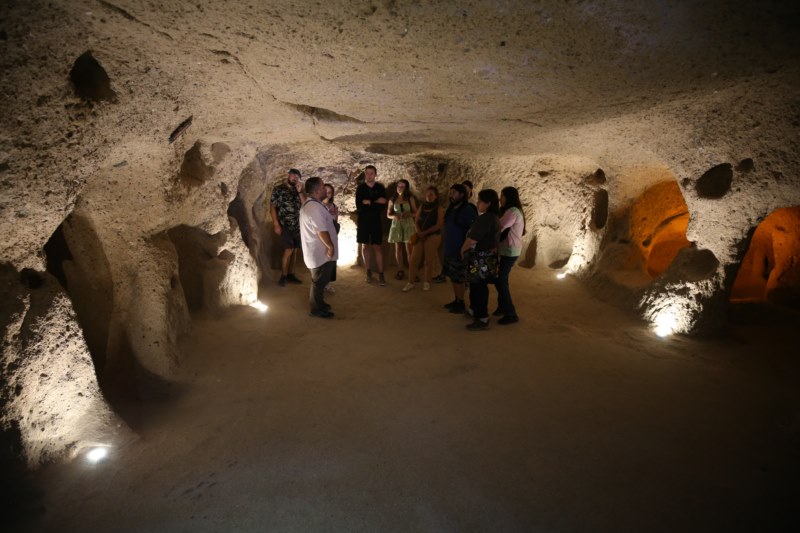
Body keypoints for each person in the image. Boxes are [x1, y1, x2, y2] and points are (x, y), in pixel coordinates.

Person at [461, 189, 501, 331]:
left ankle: (482, 318)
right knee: (477, 285)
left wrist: (462, 250)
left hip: (481, 259)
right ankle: (474, 311)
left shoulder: (486, 218)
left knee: (479, 287)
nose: (477, 203)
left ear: (488, 203)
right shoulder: (494, 217)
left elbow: (473, 239)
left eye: (480, 201)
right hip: (486, 258)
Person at [299, 177, 338, 318]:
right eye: (322, 187)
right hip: (319, 252)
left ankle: (320, 304)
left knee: (320, 281)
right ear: (316, 191)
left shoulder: (313, 204)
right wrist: (330, 246)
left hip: (317, 251)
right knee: (319, 282)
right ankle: (316, 310)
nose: (325, 190)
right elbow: (320, 230)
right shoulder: (314, 207)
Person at [442, 184, 477, 313]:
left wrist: (466, 249)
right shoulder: (451, 209)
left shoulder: (467, 210)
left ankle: (461, 302)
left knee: (459, 278)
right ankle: (457, 300)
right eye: (450, 192)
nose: (451, 195)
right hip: (450, 248)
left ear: (462, 195)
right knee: (453, 276)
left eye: (454, 192)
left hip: (460, 250)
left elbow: (473, 230)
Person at [403, 186, 445, 292]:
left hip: (433, 236)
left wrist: (424, 233)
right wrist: (419, 232)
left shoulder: (439, 208)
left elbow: (439, 225)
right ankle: (410, 282)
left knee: (428, 260)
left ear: (436, 196)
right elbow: (416, 220)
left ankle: (427, 281)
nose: (429, 196)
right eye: (428, 194)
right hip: (421, 235)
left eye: (431, 194)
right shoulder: (422, 206)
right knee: (413, 259)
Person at [494, 186, 526, 324]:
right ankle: (502, 307)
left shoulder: (512, 211)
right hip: (507, 250)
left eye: (502, 196)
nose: (500, 199)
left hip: (510, 251)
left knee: (500, 280)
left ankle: (511, 314)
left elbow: (499, 226)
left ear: (508, 197)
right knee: (500, 279)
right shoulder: (512, 211)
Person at [270, 168, 305, 286]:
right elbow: (273, 207)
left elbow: (304, 205)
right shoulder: (279, 189)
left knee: (294, 251)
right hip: (285, 225)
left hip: (298, 226)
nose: (295, 178)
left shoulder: (298, 190)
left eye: (297, 177)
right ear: (288, 175)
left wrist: (300, 192)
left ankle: (291, 274)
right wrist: (276, 224)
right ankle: (283, 276)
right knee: (288, 250)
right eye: (293, 175)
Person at [355, 164, 388, 286]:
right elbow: (359, 205)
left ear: (375, 174)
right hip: (363, 221)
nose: (369, 175)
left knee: (377, 247)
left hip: (375, 221)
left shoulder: (380, 187)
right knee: (365, 246)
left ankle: (381, 273)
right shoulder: (360, 189)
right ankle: (368, 271)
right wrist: (376, 201)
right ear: (365, 175)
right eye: (367, 173)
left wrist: (369, 202)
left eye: (371, 173)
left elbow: (383, 205)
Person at [387, 179, 417, 280]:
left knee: (410, 249)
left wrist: (409, 214)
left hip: (408, 224)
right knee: (398, 248)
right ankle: (400, 270)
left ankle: (412, 271)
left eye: (402, 186)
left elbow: (416, 213)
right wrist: (395, 216)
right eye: (399, 186)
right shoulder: (392, 199)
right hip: (397, 225)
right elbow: (388, 215)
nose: (400, 188)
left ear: (406, 188)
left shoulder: (410, 198)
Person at [322, 183, 340, 293]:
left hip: (332, 236)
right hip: (321, 237)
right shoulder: (317, 206)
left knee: (331, 260)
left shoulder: (334, 206)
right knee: (322, 259)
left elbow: (336, 222)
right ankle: (320, 283)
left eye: (330, 192)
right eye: (326, 191)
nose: (327, 194)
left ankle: (327, 283)